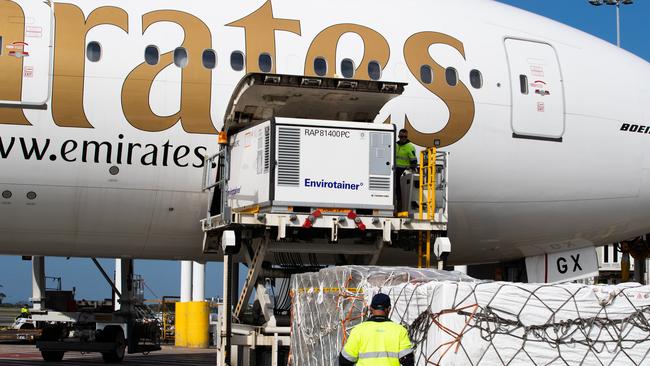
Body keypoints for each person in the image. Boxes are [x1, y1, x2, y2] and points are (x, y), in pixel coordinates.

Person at [339, 293, 414, 366]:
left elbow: (345, 360)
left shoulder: (358, 330)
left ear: (371, 308)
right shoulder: (400, 330)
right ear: (389, 309)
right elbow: (408, 361)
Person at [395, 129, 418, 212]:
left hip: (403, 172)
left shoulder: (410, 147)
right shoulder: (395, 145)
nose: (403, 138)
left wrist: (411, 169)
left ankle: (400, 208)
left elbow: (414, 161)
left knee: (400, 191)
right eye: (401, 136)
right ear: (398, 136)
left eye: (405, 137)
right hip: (394, 170)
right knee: (395, 189)